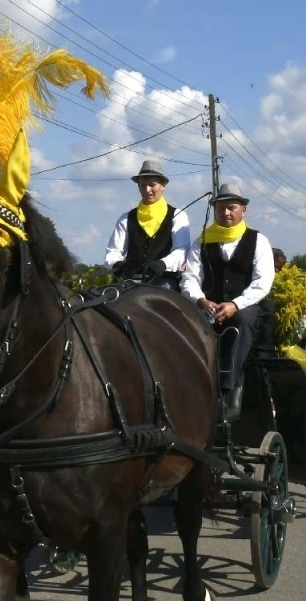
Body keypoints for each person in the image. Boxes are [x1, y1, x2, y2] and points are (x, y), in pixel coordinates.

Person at [181, 182, 275, 423]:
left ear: (243, 210)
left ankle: (227, 391)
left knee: (240, 322)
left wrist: (235, 304)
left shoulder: (258, 241)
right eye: (221, 208)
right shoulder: (202, 241)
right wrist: (201, 300)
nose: (226, 213)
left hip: (246, 306)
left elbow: (262, 282)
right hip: (209, 306)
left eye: (231, 208)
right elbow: (190, 278)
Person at [104, 159, 190, 288]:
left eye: (152, 185)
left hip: (163, 282)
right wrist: (116, 263)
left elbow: (182, 250)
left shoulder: (177, 216)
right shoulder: (126, 218)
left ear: (163, 186)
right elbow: (114, 250)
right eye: (143, 185)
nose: (147, 189)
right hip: (130, 281)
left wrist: (164, 263)